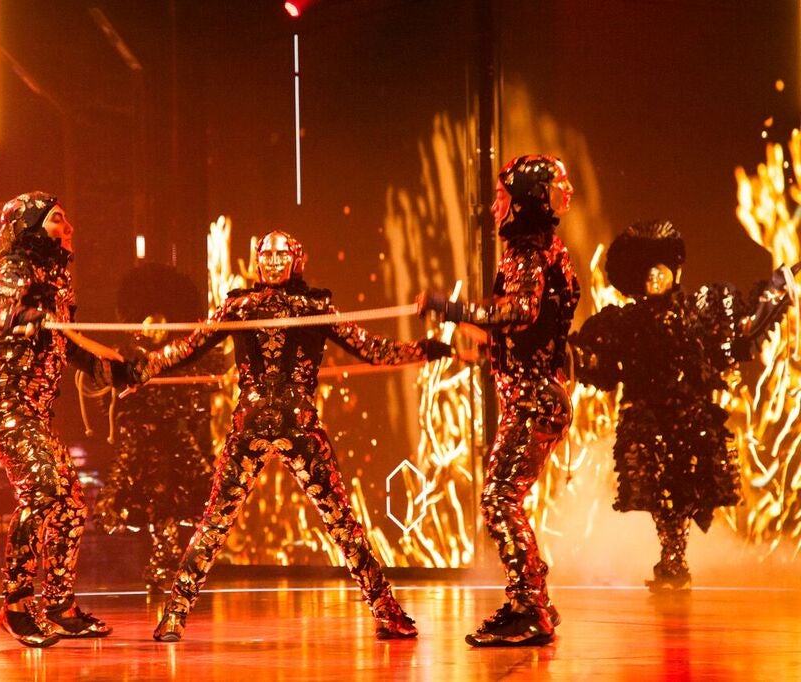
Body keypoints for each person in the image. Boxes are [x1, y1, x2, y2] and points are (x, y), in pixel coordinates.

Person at [146, 230, 452, 642]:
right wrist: (140, 369)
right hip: (254, 424)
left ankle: (387, 611)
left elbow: (373, 350)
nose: (273, 261)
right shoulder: (240, 307)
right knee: (216, 521)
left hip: (298, 426)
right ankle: (174, 615)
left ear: (296, 260)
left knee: (341, 522)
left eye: (281, 254)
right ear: (257, 260)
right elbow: (189, 347)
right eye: (266, 254)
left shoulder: (314, 307)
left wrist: (426, 350)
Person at [569, 220, 797, 592]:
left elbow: (741, 334)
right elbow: (599, 361)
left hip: (691, 418)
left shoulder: (701, 311)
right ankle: (672, 558)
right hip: (648, 418)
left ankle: (674, 559)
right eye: (647, 272)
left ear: (675, 269)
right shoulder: (623, 322)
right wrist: (575, 357)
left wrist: (776, 291)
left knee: (685, 489)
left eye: (661, 268)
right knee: (663, 493)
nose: (655, 278)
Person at [419, 154, 578, 646]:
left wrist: (450, 307)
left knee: (498, 498)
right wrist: (468, 340)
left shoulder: (526, 252)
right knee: (504, 497)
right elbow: (526, 327)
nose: (493, 207)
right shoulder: (546, 250)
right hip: (539, 397)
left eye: (501, 197)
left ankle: (531, 608)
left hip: (532, 399)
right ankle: (531, 600)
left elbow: (521, 312)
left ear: (524, 201)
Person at [0, 191, 140, 648]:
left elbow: (65, 344)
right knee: (45, 492)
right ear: (30, 227)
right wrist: (29, 316)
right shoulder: (16, 266)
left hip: (37, 414)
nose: (68, 228)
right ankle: (15, 605)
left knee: (70, 502)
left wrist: (111, 369)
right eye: (56, 219)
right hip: (9, 409)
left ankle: (59, 607)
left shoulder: (57, 280)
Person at [87, 310, 218, 594]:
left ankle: (167, 564)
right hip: (142, 437)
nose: (157, 331)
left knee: (187, 495)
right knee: (143, 497)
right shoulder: (129, 355)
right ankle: (159, 563)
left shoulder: (178, 356)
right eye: (151, 325)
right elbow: (109, 394)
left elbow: (196, 396)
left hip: (174, 436)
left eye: (162, 326)